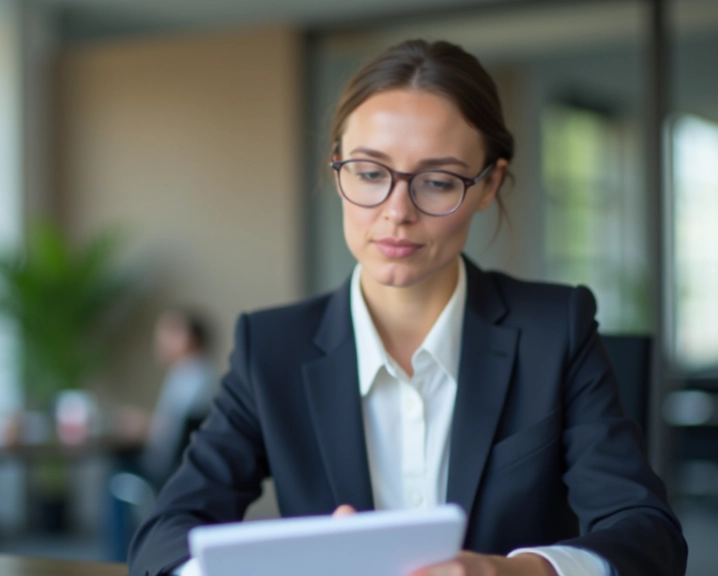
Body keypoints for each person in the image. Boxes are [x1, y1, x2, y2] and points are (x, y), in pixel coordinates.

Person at [128, 40, 686, 576]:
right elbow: (165, 533)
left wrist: (520, 571)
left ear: (489, 183)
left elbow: (647, 533)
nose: (397, 211)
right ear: (337, 168)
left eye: (438, 181)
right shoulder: (271, 348)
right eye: (371, 173)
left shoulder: (555, 331)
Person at [140, 309, 217, 488]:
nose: (161, 340)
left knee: (116, 469)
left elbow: (174, 430)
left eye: (171, 332)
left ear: (192, 338)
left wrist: (143, 426)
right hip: (175, 465)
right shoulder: (184, 372)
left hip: (170, 468)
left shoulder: (194, 377)